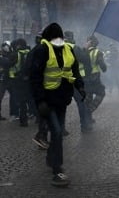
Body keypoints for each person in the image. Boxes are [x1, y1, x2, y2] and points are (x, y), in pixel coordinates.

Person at [30, 23, 85, 187]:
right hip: (47, 100)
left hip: (62, 98)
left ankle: (50, 158)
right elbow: (35, 77)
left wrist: (80, 86)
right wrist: (39, 101)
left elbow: (74, 70)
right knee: (57, 131)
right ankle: (57, 170)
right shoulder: (41, 51)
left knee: (57, 133)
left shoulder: (68, 49)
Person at [64, 31, 93, 133]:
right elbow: (86, 60)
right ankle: (84, 125)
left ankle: (61, 128)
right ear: (72, 38)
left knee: (61, 105)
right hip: (76, 80)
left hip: (63, 80)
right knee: (81, 103)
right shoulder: (75, 48)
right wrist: (85, 49)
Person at [84, 35, 107, 124]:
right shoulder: (97, 52)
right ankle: (89, 111)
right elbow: (102, 66)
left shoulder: (83, 51)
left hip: (85, 78)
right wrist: (104, 68)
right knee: (101, 93)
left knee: (88, 97)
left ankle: (88, 118)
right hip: (94, 78)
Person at [0, 41, 13, 121]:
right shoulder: (2, 56)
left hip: (6, 79)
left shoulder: (6, 55)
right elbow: (7, 63)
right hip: (2, 79)